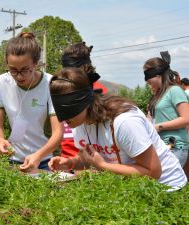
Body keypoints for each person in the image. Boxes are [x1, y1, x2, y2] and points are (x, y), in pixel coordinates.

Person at [48, 67, 187, 191]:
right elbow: (88, 159)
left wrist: (103, 166)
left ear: (82, 102)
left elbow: (153, 171)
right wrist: (71, 163)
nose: (62, 119)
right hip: (134, 188)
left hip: (167, 188)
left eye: (67, 110)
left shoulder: (124, 121)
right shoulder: (79, 121)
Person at [0, 32, 63, 172]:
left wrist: (38, 156)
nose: (19, 76)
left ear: (35, 64)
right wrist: (0, 141)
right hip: (13, 158)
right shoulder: (0, 83)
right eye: (13, 70)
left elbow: (58, 132)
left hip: (45, 160)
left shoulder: (50, 84)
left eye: (25, 70)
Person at [143, 51, 189, 172]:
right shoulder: (158, 95)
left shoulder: (175, 91)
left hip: (175, 146)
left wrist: (159, 127)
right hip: (161, 146)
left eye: (148, 79)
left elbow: (186, 119)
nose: (147, 82)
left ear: (158, 75)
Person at [60, 42, 107, 158]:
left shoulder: (98, 92)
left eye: (74, 71)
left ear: (86, 68)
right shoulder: (62, 90)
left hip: (93, 160)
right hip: (70, 159)